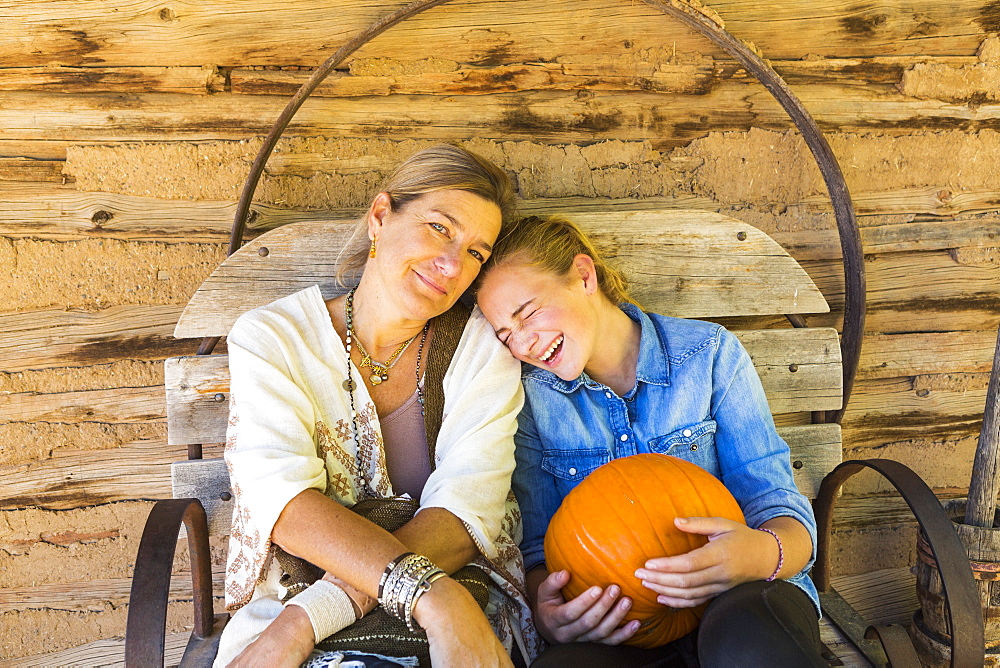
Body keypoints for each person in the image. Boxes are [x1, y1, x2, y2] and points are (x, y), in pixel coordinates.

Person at [215, 144, 541, 668]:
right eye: (440, 227)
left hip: (457, 601)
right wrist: (435, 598)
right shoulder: (273, 338)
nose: (452, 264)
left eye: (477, 252)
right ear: (381, 216)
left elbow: (466, 512)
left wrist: (310, 619)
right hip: (302, 601)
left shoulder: (481, 349)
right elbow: (286, 507)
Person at [475, 214, 827, 667]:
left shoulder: (709, 357)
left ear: (584, 276)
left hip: (742, 599)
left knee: (747, 644)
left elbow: (779, 506)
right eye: (506, 335)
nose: (523, 344)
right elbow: (538, 549)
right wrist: (550, 617)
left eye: (529, 314)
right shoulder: (532, 402)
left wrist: (758, 554)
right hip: (623, 628)